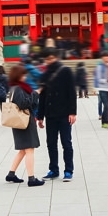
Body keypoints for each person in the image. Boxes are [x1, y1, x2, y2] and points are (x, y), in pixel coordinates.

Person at [36, 49, 77, 181]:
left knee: (66, 142)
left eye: (51, 58)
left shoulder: (66, 71)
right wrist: (40, 116)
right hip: (50, 114)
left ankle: (68, 170)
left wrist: (73, 112)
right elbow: (42, 97)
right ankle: (53, 169)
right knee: (51, 143)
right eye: (47, 59)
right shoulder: (45, 74)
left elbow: (72, 92)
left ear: (57, 58)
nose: (49, 61)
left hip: (64, 114)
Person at [4, 64, 45, 187]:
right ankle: (31, 178)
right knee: (29, 149)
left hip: (18, 122)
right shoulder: (18, 89)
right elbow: (23, 103)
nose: (25, 77)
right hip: (24, 122)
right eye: (23, 74)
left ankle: (11, 174)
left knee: (23, 150)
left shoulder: (13, 88)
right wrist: (36, 93)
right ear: (18, 75)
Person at [94, 53, 108, 129]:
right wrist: (107, 80)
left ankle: (104, 122)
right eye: (105, 57)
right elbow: (98, 79)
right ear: (102, 58)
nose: (107, 58)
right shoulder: (100, 67)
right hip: (103, 89)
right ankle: (107, 122)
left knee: (107, 106)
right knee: (107, 105)